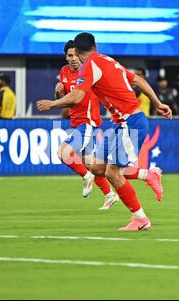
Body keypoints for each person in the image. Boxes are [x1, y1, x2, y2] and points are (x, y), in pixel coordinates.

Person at [37, 32, 172, 231]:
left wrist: (52, 104)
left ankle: (140, 219)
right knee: (97, 168)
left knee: (112, 172)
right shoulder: (108, 60)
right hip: (121, 124)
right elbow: (139, 81)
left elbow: (76, 97)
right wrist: (158, 103)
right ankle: (148, 175)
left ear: (80, 53)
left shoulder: (90, 64)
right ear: (95, 46)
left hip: (130, 123)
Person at [55, 40, 119, 210]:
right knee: (92, 164)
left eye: (76, 55)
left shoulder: (89, 70)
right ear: (66, 57)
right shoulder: (64, 72)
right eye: (70, 55)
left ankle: (86, 176)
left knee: (63, 153)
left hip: (88, 122)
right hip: (76, 122)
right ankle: (110, 193)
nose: (74, 58)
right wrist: (58, 93)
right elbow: (66, 100)